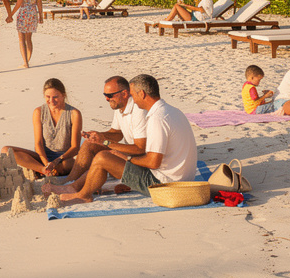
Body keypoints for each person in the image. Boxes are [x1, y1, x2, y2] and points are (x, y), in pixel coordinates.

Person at [55, 74, 197, 203]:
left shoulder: (156, 118)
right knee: (97, 150)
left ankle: (83, 194)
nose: (132, 99)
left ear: (141, 94)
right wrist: (103, 138)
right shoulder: (170, 111)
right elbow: (118, 134)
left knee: (102, 158)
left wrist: (127, 158)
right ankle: (72, 184)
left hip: (166, 183)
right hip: (180, 177)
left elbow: (153, 162)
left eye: (133, 95)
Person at [43, 75, 147, 194]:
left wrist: (105, 142)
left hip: (140, 161)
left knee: (102, 156)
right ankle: (70, 182)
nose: (107, 99)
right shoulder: (120, 106)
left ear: (124, 93)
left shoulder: (138, 110)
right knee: (89, 143)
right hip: (131, 155)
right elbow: (117, 134)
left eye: (110, 95)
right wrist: (98, 136)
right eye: (105, 95)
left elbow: (140, 149)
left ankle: (76, 187)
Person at [3, 78, 82, 177]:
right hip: (44, 157)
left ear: (63, 95)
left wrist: (58, 160)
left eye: (55, 97)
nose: (51, 101)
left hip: (65, 158)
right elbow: (38, 143)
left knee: (77, 161)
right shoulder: (39, 112)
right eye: (48, 97)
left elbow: (75, 147)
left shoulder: (74, 114)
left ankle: (49, 170)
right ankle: (44, 170)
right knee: (6, 150)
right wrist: (46, 164)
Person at [7, 0, 43, 68]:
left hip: (24, 11)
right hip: (33, 11)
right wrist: (40, 15)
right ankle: (27, 60)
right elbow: (39, 1)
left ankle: (25, 62)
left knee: (21, 39)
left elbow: (19, 2)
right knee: (29, 39)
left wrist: (10, 14)